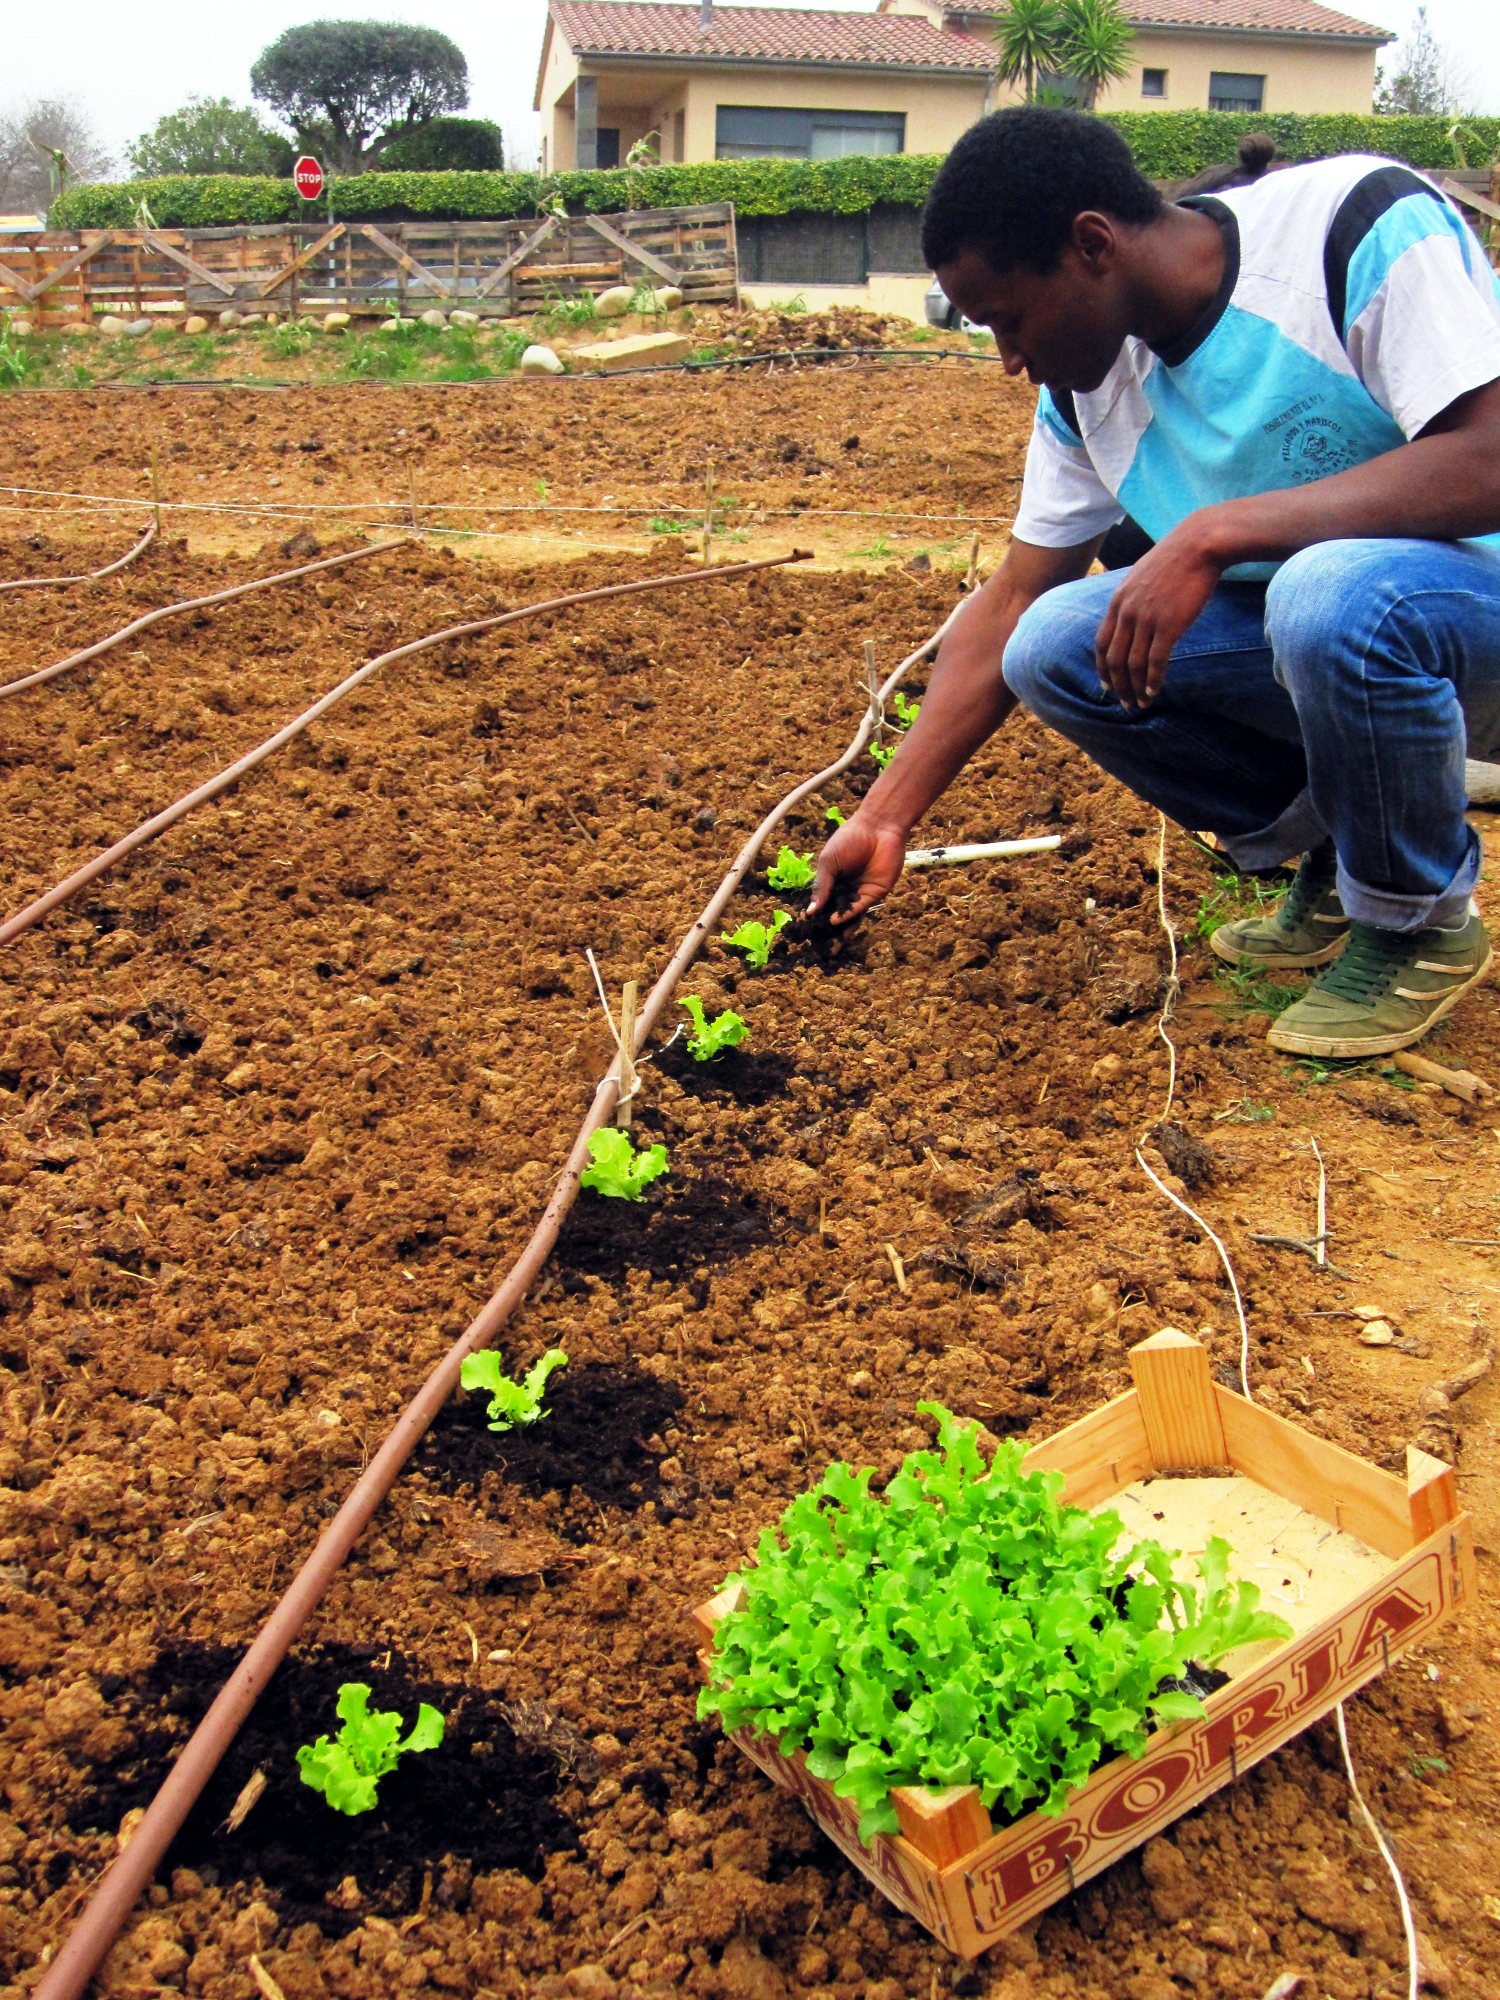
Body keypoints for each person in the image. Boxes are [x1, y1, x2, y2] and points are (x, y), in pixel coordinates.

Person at [810, 108, 1500, 1059]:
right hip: (1335, 628)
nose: (1010, 360)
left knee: (1326, 594)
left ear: (1092, 243)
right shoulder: (1086, 386)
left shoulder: (1353, 224)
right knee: (1053, 643)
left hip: (1466, 609)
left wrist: (1218, 533)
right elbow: (1013, 598)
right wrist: (883, 817)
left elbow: (1491, 457)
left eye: (1010, 320)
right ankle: (1347, 851)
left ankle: (1417, 920)